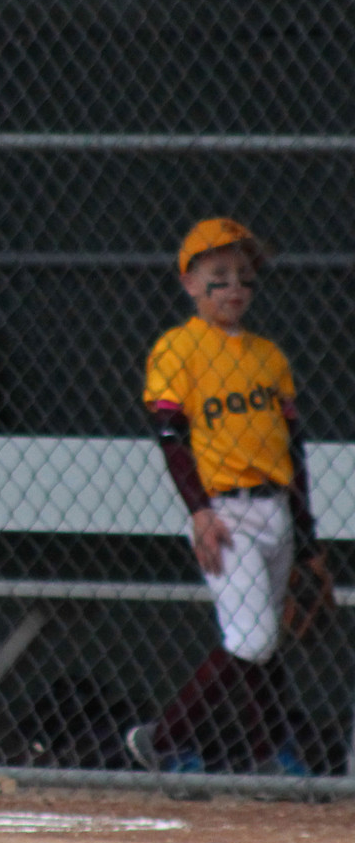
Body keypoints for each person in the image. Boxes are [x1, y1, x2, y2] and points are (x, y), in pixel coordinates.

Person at [126, 218, 316, 775]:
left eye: (244, 275)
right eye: (219, 274)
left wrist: (309, 544)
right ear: (189, 282)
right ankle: (162, 737)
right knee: (252, 640)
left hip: (276, 508)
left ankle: (266, 757)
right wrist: (200, 511)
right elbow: (170, 436)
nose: (235, 286)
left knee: (262, 641)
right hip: (225, 511)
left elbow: (294, 452)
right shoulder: (179, 348)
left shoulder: (268, 356)